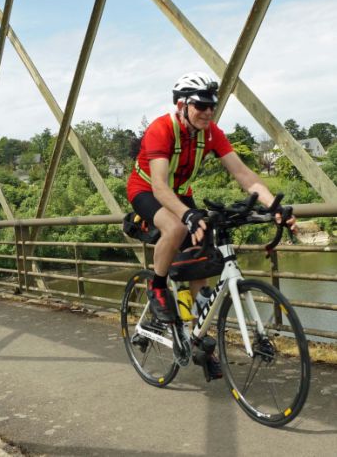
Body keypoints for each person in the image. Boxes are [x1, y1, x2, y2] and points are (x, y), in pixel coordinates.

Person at [126, 71, 296, 378]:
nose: (208, 111)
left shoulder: (211, 133)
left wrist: (274, 206)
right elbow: (160, 187)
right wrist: (188, 215)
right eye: (201, 105)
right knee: (177, 228)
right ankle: (158, 287)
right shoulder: (161, 129)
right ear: (181, 105)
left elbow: (243, 174)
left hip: (181, 193)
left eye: (212, 106)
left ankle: (199, 341)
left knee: (200, 264)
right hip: (147, 190)